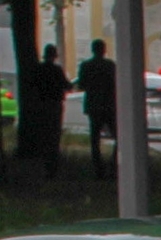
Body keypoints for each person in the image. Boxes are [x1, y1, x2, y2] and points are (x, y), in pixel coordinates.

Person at [20, 45, 69, 177]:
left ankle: (44, 163)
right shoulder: (57, 70)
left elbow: (31, 86)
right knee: (54, 134)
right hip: (55, 105)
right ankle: (52, 165)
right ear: (54, 56)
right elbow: (66, 85)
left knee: (43, 134)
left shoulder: (38, 69)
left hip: (41, 105)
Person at [76, 39, 113, 177]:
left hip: (93, 105)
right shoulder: (110, 66)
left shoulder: (86, 65)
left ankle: (98, 167)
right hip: (109, 104)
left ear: (92, 50)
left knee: (95, 137)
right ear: (104, 50)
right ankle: (113, 165)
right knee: (117, 136)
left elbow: (81, 85)